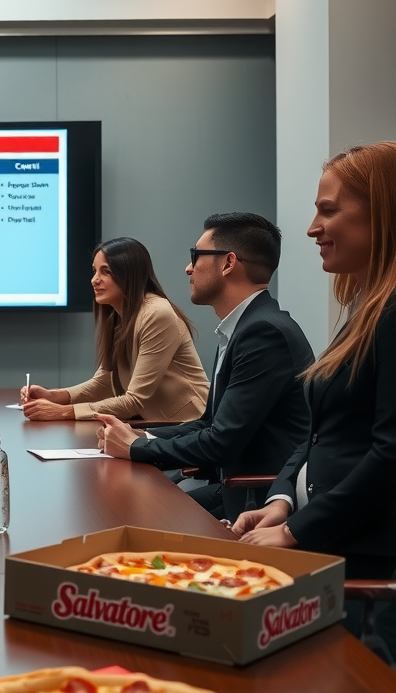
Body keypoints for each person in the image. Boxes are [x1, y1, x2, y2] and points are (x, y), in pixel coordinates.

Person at [233, 144, 396, 583]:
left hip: (362, 562)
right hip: (325, 538)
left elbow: (390, 455)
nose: (312, 228)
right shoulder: (365, 310)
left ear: (382, 214)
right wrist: (281, 501)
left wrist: (295, 531)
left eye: (328, 210)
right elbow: (319, 435)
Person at [96, 214, 314, 521]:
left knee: (139, 517)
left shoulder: (263, 333)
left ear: (228, 263)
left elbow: (220, 443)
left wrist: (135, 448)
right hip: (234, 488)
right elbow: (208, 423)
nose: (189, 268)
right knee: (134, 509)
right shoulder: (243, 327)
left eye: (195, 256)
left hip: (260, 503)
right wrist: (138, 436)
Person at [22, 237, 208, 424]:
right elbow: (104, 382)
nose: (94, 280)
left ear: (129, 274)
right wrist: (54, 396)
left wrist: (62, 411)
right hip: (160, 425)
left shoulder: (157, 314)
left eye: (106, 271)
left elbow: (134, 401)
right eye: (95, 271)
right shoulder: (118, 316)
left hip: (193, 424)